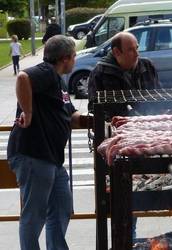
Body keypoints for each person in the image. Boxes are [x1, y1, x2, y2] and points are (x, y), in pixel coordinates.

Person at [7, 35, 83, 250]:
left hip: (51, 158)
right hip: (34, 155)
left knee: (62, 205)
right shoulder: (47, 71)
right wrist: (28, 112)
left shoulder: (58, 80)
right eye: (74, 56)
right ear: (65, 58)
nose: (75, 60)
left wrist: (90, 119)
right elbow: (23, 78)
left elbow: (70, 113)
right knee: (35, 214)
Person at [88, 31, 160, 239]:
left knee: (140, 189)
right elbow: (95, 108)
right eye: (131, 50)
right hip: (118, 143)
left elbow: (158, 96)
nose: (136, 53)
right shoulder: (100, 72)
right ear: (116, 52)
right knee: (120, 196)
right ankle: (125, 238)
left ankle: (132, 236)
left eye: (137, 48)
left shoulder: (147, 66)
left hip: (146, 139)